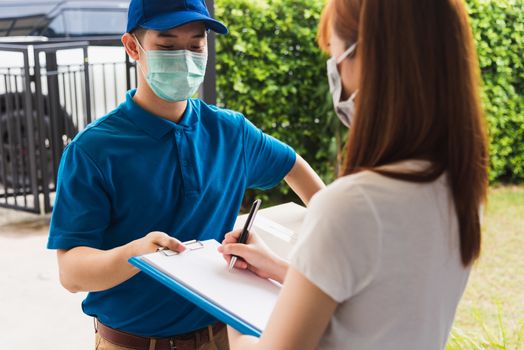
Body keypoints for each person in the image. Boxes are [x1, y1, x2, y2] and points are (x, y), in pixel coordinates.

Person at [47, 0, 325, 349]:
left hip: (220, 338)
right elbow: (71, 273)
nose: (185, 57)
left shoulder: (230, 131)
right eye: (167, 46)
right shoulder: (93, 150)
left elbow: (294, 167)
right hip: (131, 343)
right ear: (133, 47)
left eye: (196, 45)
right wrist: (136, 253)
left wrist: (331, 243)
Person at [219, 0, 489, 349]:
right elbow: (378, 300)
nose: (334, 71)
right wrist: (280, 268)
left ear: (370, 58)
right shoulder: (459, 188)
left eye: (335, 54)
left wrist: (231, 305)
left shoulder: (353, 206)